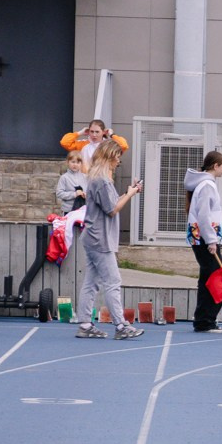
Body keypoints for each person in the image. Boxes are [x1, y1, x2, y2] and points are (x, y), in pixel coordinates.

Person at [76, 141, 143, 341]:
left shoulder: (99, 179)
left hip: (94, 237)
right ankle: (121, 325)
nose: (118, 161)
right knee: (113, 282)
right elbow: (112, 209)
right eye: (117, 157)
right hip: (100, 239)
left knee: (91, 283)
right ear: (109, 157)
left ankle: (85, 324)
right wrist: (130, 194)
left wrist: (128, 192)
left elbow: (111, 204)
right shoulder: (102, 181)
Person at [185, 150, 222, 334]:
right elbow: (204, 215)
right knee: (216, 277)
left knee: (207, 277)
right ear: (215, 166)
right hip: (205, 239)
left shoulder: (204, 184)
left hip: (201, 237)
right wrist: (211, 241)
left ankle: (203, 319)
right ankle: (206, 320)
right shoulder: (207, 185)